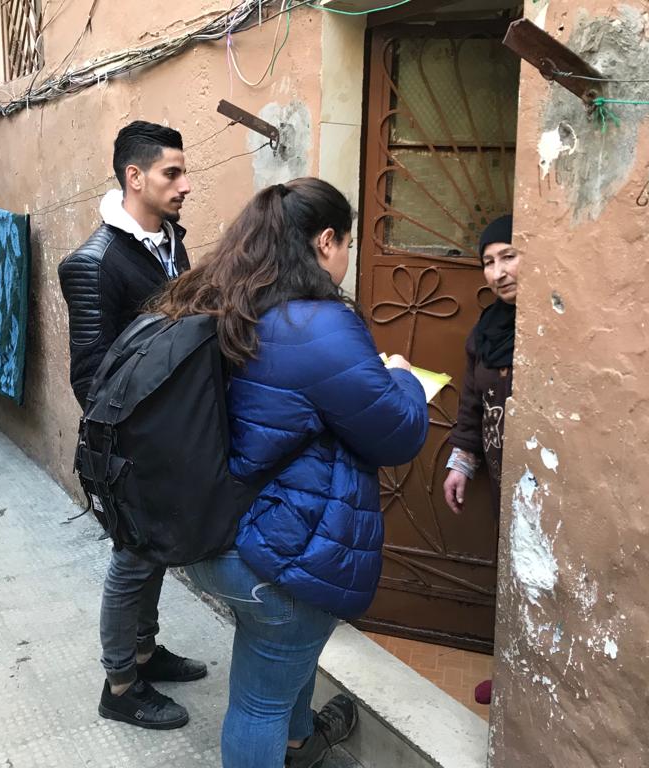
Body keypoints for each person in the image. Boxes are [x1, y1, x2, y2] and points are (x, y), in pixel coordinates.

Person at [153, 178, 430, 767]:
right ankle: (289, 736)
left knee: (277, 655)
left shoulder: (223, 300)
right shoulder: (317, 326)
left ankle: (300, 743)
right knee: (258, 705)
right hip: (280, 551)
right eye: (348, 243)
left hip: (219, 533)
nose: (348, 258)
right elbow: (398, 433)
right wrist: (402, 376)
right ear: (326, 241)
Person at [58, 121, 206, 730]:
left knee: (155, 552)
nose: (186, 185)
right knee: (133, 558)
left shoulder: (170, 242)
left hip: (172, 431)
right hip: (132, 444)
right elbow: (90, 377)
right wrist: (135, 449)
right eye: (173, 173)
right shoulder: (94, 264)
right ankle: (120, 682)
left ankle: (145, 651)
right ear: (135, 177)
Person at [442, 214, 517, 707]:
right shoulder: (489, 328)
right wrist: (462, 461)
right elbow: (471, 403)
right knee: (508, 572)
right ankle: (510, 674)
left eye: (508, 256)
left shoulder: (557, 321)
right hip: (502, 476)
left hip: (549, 485)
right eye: (488, 263)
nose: (497, 273)